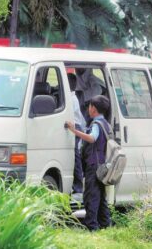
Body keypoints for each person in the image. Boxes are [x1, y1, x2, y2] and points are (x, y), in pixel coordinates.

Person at [65, 95, 111, 231]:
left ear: (94, 109)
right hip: (102, 166)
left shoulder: (97, 124)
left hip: (94, 166)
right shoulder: (105, 123)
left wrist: (74, 131)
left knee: (91, 196)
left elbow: (92, 138)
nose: (88, 109)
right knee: (101, 197)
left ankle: (91, 226)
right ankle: (105, 224)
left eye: (90, 106)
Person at [67, 73, 86, 195]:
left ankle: (78, 186)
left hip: (76, 127)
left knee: (75, 157)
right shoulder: (71, 97)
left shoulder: (72, 99)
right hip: (74, 127)